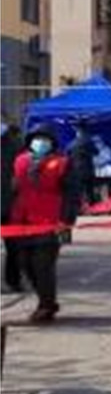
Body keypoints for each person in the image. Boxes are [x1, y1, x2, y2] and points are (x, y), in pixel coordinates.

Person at [10, 123, 80, 322]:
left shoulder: (62, 163)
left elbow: (71, 195)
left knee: (42, 265)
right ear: (29, 142)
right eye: (36, 138)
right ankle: (46, 300)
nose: (40, 142)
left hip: (50, 223)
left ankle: (46, 305)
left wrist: (66, 220)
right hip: (22, 223)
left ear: (52, 143)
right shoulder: (20, 161)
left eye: (45, 139)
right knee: (25, 264)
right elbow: (13, 189)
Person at [1, 123, 22, 293]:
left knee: (14, 246)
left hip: (10, 204)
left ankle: (14, 280)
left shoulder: (14, 145)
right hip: (9, 201)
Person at [66, 121, 98, 206]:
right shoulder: (89, 142)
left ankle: (78, 207)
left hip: (76, 171)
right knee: (89, 191)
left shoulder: (72, 144)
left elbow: (66, 155)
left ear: (77, 132)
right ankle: (92, 207)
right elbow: (96, 152)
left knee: (78, 191)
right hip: (88, 169)